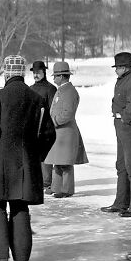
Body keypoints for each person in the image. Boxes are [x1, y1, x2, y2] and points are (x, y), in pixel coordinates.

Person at [0, 55, 55, 261]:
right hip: (25, 164)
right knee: (20, 207)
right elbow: (49, 134)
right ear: (22, 73)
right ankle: (21, 258)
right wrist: (36, 156)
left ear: (7, 74)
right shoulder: (36, 99)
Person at [101, 52, 131, 217]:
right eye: (116, 67)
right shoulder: (123, 80)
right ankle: (121, 203)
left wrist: (123, 116)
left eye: (118, 67)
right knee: (121, 166)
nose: (116, 70)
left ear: (126, 67)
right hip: (122, 128)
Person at [43, 62, 88, 198]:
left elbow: (68, 113)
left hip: (65, 133)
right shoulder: (62, 89)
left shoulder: (69, 91)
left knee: (65, 163)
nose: (53, 79)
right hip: (59, 133)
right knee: (58, 161)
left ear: (62, 76)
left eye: (55, 76)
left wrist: (54, 122)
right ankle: (56, 187)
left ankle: (66, 189)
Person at [30, 61, 57, 193]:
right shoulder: (30, 88)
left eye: (38, 72)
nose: (36, 75)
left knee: (45, 155)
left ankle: (46, 181)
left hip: (46, 126)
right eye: (34, 73)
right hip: (33, 126)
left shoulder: (50, 88)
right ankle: (37, 180)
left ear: (44, 73)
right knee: (35, 155)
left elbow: (53, 108)